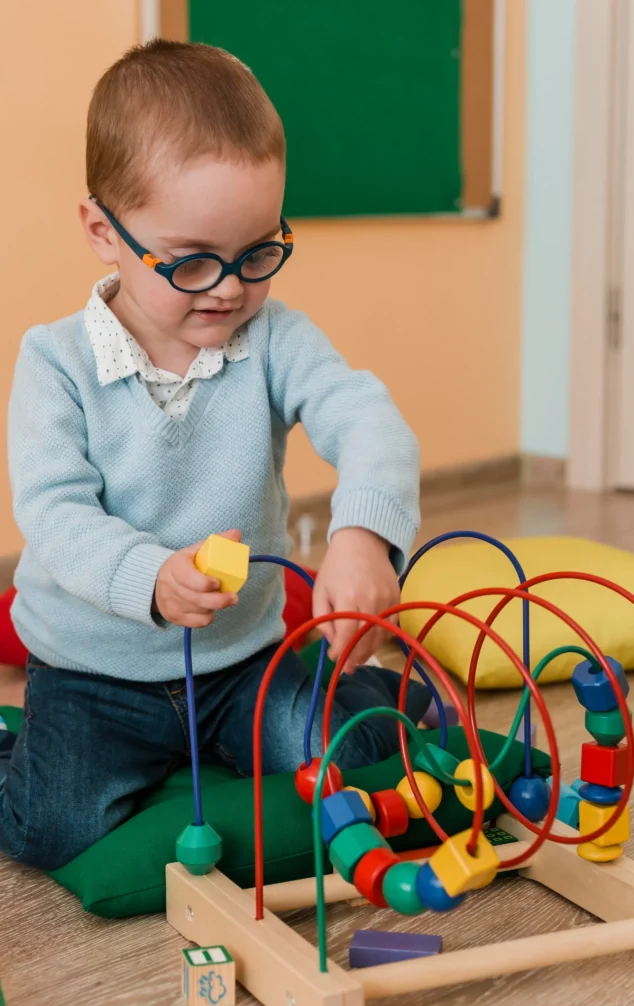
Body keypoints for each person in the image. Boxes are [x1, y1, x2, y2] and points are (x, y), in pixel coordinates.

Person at [0, 40, 428, 871]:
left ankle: (374, 692)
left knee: (350, 748)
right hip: (95, 673)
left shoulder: (273, 340)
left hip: (241, 664)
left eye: (258, 252)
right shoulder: (54, 361)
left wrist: (364, 534)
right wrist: (149, 576)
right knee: (53, 826)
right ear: (103, 232)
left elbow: (368, 419)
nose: (229, 288)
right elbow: (53, 516)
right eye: (192, 260)